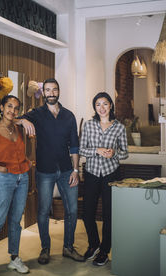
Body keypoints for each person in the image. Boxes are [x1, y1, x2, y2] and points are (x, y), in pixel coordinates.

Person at [18, 78, 85, 265]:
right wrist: (23, 120)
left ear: (58, 91)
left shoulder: (69, 116)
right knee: (43, 210)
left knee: (72, 210)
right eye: (47, 90)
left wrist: (75, 169)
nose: (51, 93)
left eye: (54, 90)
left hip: (66, 170)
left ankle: (68, 247)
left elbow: (74, 145)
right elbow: (13, 119)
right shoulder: (36, 114)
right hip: (44, 170)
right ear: (43, 93)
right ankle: (45, 248)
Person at [0, 95, 31, 276]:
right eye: (9, 106)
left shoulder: (18, 129)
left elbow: (21, 149)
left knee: (16, 221)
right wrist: (0, 168)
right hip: (4, 179)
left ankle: (14, 258)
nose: (12, 111)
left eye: (16, 108)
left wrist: (28, 162)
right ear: (2, 107)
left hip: (22, 178)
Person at [79, 92, 128, 266]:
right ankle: (94, 245)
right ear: (94, 107)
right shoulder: (89, 125)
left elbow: (125, 153)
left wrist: (115, 153)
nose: (102, 107)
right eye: (98, 104)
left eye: (105, 104)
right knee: (87, 214)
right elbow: (81, 149)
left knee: (109, 215)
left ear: (111, 106)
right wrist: (97, 151)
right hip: (92, 173)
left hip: (111, 174)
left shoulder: (119, 128)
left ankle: (105, 250)